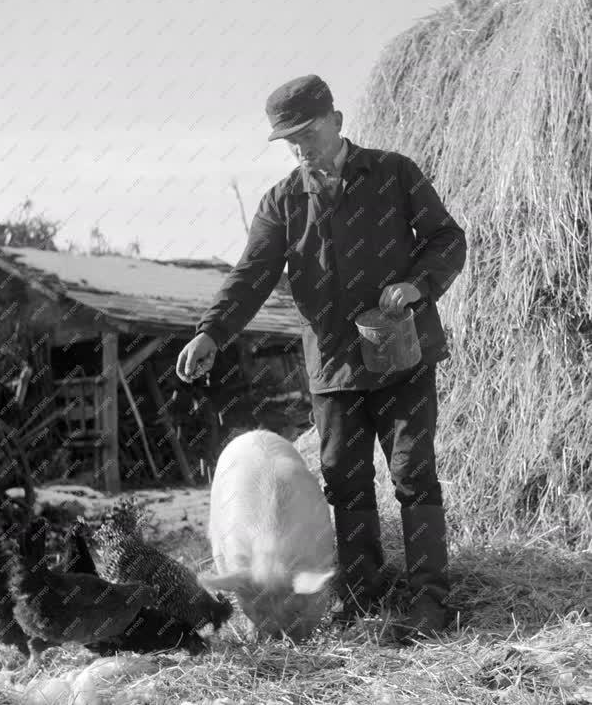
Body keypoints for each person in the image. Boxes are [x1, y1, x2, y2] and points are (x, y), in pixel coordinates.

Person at [176, 74, 467, 643]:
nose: (302, 147)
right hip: (333, 368)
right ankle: (362, 592)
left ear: (336, 118)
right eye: (291, 140)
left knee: (412, 473)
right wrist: (210, 332)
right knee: (346, 483)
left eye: (308, 132)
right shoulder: (283, 202)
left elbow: (447, 238)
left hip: (399, 355)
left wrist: (418, 285)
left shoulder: (392, 172)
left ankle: (430, 596)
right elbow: (250, 277)